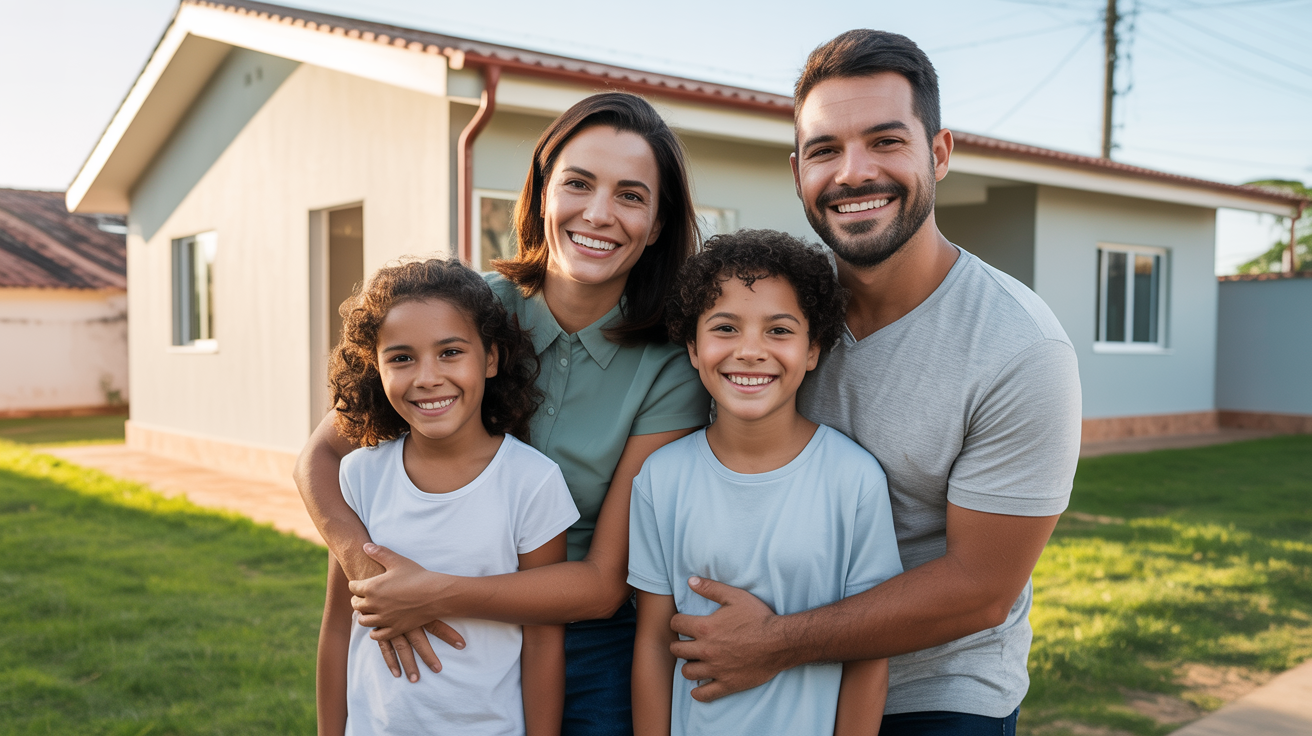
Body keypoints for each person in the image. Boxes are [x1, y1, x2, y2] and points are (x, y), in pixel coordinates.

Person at [665, 30, 1083, 735]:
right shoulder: (771, 318)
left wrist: (776, 642)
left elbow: (981, 589)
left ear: (939, 153)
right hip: (751, 676)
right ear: (798, 169)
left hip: (935, 689)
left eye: (886, 141)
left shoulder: (1021, 347)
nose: (853, 173)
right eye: (825, 150)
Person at [296, 92, 711, 736]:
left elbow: (603, 583)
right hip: (409, 605)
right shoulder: (462, 315)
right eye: (578, 183)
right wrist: (365, 570)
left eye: (631, 195)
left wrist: (434, 591)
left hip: (584, 637)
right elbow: (320, 457)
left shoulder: (670, 363)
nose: (598, 214)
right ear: (543, 192)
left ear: (657, 223)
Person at [628, 230, 903, 736]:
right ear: (692, 347)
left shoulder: (855, 480)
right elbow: (651, 644)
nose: (751, 351)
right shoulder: (659, 480)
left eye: (779, 331)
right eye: (725, 328)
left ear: (813, 348)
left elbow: (869, 654)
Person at [316, 258, 580, 735]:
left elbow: (544, 640)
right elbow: (339, 625)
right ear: (374, 369)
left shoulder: (531, 482)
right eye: (401, 358)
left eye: (450, 352)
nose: (427, 377)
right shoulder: (360, 475)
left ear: (492, 358)